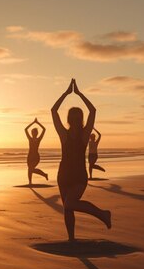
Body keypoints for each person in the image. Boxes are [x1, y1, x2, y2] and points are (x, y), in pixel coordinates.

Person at [51, 79, 111, 241]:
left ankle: (102, 213)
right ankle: (71, 239)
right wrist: (66, 93)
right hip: (63, 175)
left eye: (79, 117)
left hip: (78, 176)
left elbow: (93, 111)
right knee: (67, 208)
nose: (77, 120)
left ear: (81, 119)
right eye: (74, 117)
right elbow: (53, 111)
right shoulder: (64, 134)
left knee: (70, 203)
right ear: (70, 119)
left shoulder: (85, 136)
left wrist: (79, 94)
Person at [24, 118, 48, 185]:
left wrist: (37, 123)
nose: (33, 133)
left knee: (31, 169)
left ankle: (43, 174)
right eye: (32, 132)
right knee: (30, 169)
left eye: (35, 132)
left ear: (37, 133)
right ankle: (30, 182)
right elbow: (25, 129)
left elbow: (44, 129)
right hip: (30, 156)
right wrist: (33, 122)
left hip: (36, 157)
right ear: (31, 133)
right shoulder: (30, 139)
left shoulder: (38, 139)